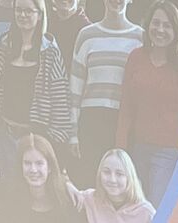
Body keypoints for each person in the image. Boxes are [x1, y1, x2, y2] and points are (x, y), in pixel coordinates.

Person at [114, 0, 178, 207]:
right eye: (156, 23)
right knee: (135, 206)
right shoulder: (136, 57)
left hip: (169, 152)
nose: (160, 29)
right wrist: (120, 150)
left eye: (167, 25)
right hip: (138, 148)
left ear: (176, 30)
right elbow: (126, 108)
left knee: (156, 207)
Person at [0, 0, 73, 177]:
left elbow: (60, 101)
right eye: (19, 10)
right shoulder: (3, 48)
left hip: (35, 139)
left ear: (40, 14)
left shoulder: (49, 52)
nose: (23, 15)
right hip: (5, 136)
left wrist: (53, 142)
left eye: (29, 11)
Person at [70, 0, 143, 181]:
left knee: (120, 183)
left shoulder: (141, 38)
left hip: (124, 122)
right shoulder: (86, 35)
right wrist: (73, 134)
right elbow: (75, 90)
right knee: (89, 181)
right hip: (91, 121)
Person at [76, 147, 155, 223]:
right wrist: (66, 182)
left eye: (119, 174)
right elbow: (68, 194)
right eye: (106, 172)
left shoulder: (146, 214)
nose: (112, 179)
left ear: (129, 177)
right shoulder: (92, 199)